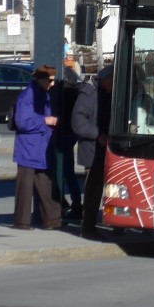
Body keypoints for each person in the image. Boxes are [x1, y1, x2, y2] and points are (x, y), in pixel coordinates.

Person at [12, 65, 62, 231]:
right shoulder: (28, 96)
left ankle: (52, 220)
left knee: (45, 185)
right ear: (41, 79)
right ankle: (22, 221)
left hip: (39, 147)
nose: (52, 84)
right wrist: (45, 121)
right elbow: (22, 122)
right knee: (25, 188)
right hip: (29, 148)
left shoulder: (41, 93)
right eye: (50, 80)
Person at [72, 65, 113, 238]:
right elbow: (78, 123)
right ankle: (88, 227)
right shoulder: (89, 93)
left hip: (106, 149)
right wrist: (98, 135)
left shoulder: (105, 93)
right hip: (93, 150)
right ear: (106, 79)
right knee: (93, 191)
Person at [53, 63, 83, 219]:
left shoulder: (62, 92)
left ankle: (66, 202)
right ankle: (75, 202)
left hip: (63, 133)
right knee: (68, 171)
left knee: (60, 170)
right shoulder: (75, 91)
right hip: (71, 133)